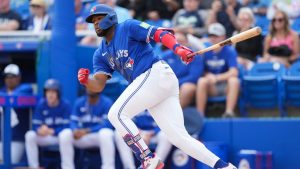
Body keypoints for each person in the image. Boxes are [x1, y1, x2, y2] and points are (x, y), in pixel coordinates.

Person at [77, 4, 237, 169]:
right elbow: (99, 85)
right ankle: (224, 166)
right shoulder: (100, 53)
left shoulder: (128, 27)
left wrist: (177, 48)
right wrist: (87, 81)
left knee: (116, 114)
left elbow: (159, 33)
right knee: (179, 138)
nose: (95, 23)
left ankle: (146, 158)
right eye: (93, 21)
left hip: (155, 74)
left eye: (98, 18)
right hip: (154, 86)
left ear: (110, 17)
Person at [58, 88, 116, 169]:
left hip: (97, 136)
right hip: (82, 137)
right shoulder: (79, 102)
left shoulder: (107, 102)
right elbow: (73, 121)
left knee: (106, 133)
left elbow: (107, 125)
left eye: (93, 86)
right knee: (64, 134)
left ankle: (108, 167)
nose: (90, 88)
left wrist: (88, 130)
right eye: (88, 85)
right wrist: (75, 130)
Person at [25, 79, 71, 169]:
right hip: (46, 136)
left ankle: (67, 167)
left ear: (58, 93)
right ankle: (34, 166)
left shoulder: (65, 105)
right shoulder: (41, 104)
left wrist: (53, 131)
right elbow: (35, 125)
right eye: (48, 91)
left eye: (53, 91)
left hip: (59, 137)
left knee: (66, 135)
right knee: (29, 135)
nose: (50, 94)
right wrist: (39, 130)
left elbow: (67, 126)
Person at [196, 23, 240, 117]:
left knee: (234, 81)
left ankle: (229, 112)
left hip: (225, 85)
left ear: (223, 37)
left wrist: (216, 77)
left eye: (216, 36)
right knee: (201, 81)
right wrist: (207, 75)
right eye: (211, 35)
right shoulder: (205, 50)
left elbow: (234, 72)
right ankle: (200, 115)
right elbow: (201, 71)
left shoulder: (229, 51)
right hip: (211, 85)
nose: (213, 38)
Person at [0, 64, 33, 164]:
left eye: (13, 76)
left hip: (17, 138)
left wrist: (6, 98)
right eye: (7, 76)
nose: (9, 79)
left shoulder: (25, 89)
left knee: (9, 162)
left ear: (19, 77)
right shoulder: (2, 91)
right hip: (2, 138)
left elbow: (24, 90)